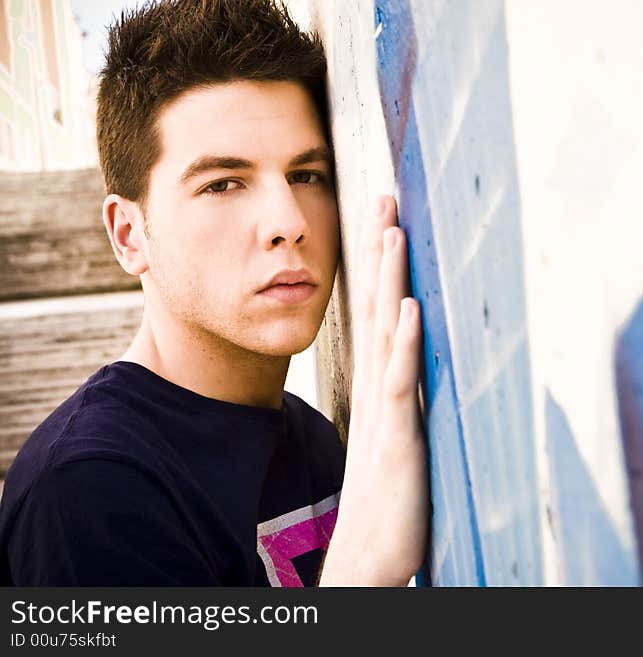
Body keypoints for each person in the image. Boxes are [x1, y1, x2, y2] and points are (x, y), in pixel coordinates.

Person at [0, 0, 427, 586]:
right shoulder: (87, 489)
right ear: (129, 235)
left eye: (306, 175)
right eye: (223, 184)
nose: (287, 220)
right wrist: (365, 570)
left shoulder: (309, 437)